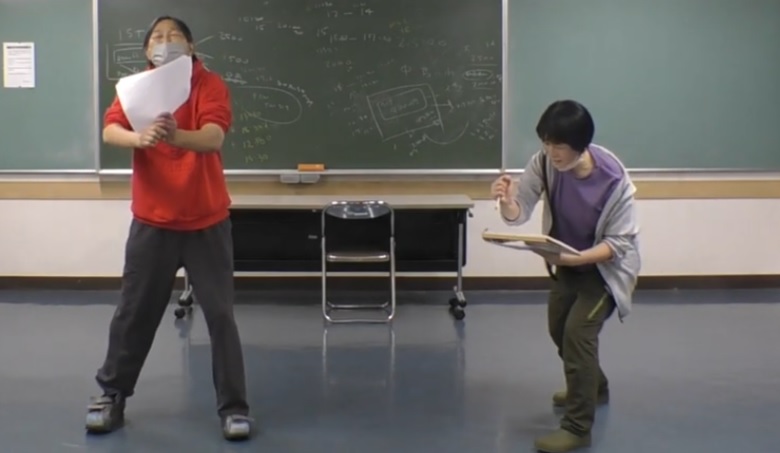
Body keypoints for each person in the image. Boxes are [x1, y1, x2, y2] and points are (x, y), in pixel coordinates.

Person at [85, 16, 252, 440]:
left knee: (220, 316)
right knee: (134, 314)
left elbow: (213, 137)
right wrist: (138, 139)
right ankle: (111, 396)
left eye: (174, 35)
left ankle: (234, 408)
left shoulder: (208, 84)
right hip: (153, 223)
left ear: (191, 46)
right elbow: (111, 130)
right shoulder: (135, 87)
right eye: (157, 37)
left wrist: (174, 136)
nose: (165, 42)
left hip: (206, 223)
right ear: (147, 50)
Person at [491, 100, 641, 452]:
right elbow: (519, 213)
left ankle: (577, 426)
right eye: (546, 142)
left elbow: (619, 244)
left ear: (581, 144)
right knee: (558, 328)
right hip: (566, 263)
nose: (551, 151)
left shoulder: (614, 180)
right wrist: (507, 202)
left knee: (577, 335)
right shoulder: (543, 163)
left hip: (604, 271)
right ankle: (593, 385)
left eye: (559, 144)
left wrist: (577, 259)